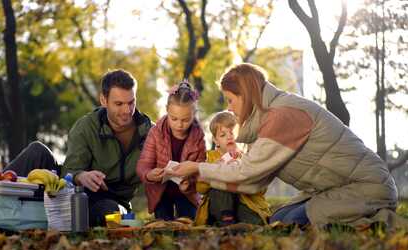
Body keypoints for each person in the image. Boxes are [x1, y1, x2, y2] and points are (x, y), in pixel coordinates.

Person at [171, 63, 406, 229]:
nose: (229, 108)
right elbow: (253, 182)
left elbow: (246, 173)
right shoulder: (266, 119)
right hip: (335, 188)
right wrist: (197, 179)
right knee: (279, 218)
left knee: (291, 223)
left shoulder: (282, 116)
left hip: (368, 186)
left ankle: (379, 218)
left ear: (247, 94)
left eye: (231, 100)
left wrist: (198, 168)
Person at [4, 69, 152, 226]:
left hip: (113, 204)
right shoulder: (85, 127)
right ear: (103, 100)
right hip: (72, 193)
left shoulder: (152, 133)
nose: (127, 110)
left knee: (111, 211)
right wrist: (81, 176)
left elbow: (167, 173)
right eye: (119, 104)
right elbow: (69, 170)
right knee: (36, 150)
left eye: (131, 102)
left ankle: (56, 219)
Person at [136, 81, 206, 220]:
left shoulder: (198, 137)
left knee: (187, 226)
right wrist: (149, 175)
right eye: (174, 119)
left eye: (185, 120)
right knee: (163, 227)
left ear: (194, 114)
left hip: (187, 193)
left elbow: (201, 170)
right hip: (160, 192)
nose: (179, 125)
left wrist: (190, 185)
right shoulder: (156, 132)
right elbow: (143, 165)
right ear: (167, 109)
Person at [194, 111, 271, 226]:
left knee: (256, 223)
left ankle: (234, 223)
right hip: (219, 206)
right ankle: (225, 220)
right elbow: (200, 188)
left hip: (243, 202)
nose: (229, 137)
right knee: (220, 184)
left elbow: (262, 188)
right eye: (223, 135)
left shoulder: (247, 158)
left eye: (232, 133)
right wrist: (214, 168)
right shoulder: (210, 158)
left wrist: (246, 175)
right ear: (216, 141)